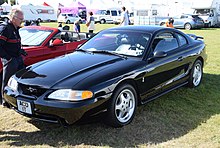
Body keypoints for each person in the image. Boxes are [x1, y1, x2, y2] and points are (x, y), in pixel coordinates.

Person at [0, 8, 26, 107]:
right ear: (14, 18)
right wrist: (8, 58)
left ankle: (17, 99)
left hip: (18, 58)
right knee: (7, 80)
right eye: (21, 19)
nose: (22, 21)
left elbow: (14, 43)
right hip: (10, 60)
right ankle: (4, 101)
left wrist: (21, 51)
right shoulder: (5, 28)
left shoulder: (15, 28)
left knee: (20, 78)